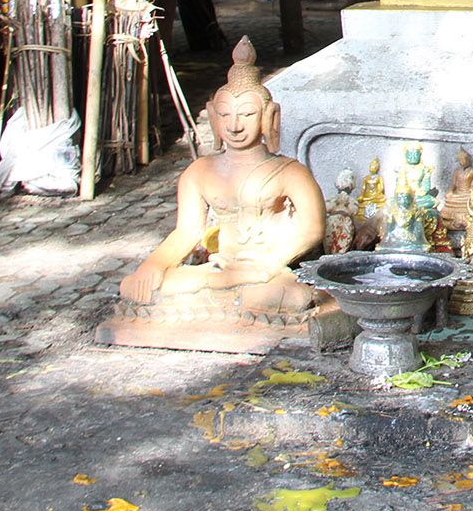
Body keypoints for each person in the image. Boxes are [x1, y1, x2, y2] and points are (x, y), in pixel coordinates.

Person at [119, 40, 324, 311]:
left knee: (294, 296)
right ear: (214, 117)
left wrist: (270, 262)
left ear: (268, 117)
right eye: (225, 115)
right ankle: (222, 289)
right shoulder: (199, 172)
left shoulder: (290, 172)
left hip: (266, 270)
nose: (235, 126)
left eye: (247, 114)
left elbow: (312, 228)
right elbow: (187, 231)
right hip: (221, 268)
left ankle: (220, 293)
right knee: (136, 285)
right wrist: (154, 264)